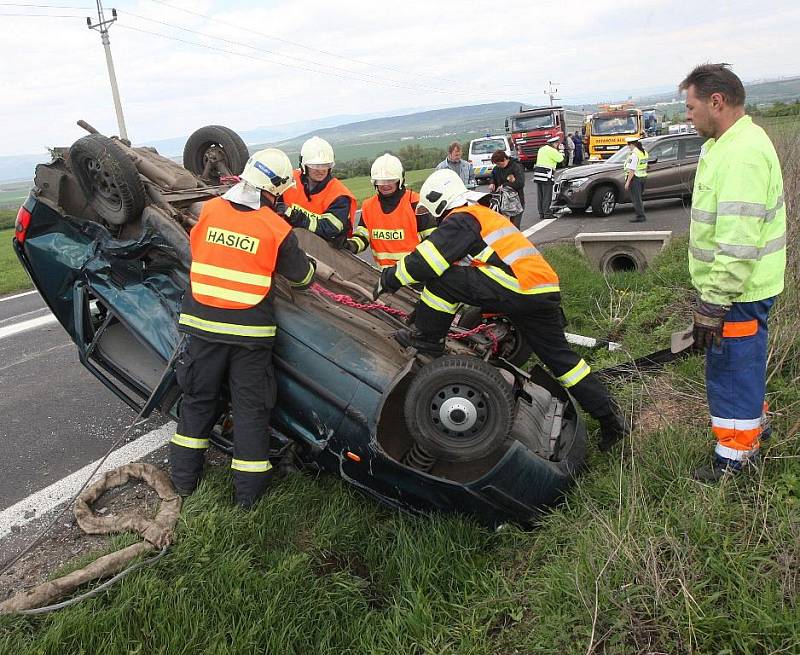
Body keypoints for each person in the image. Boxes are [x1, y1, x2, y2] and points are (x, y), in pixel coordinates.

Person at [373, 169, 628, 452]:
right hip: (540, 292)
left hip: (519, 289)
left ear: (438, 202)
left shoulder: (461, 219)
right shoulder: (481, 215)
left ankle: (427, 340)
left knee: (443, 278)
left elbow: (427, 261)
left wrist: (388, 279)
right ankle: (610, 420)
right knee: (563, 362)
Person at [170, 148, 316, 509]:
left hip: (202, 328)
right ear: (276, 188)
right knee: (251, 410)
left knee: (197, 402)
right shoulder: (275, 227)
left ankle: (183, 486)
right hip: (250, 336)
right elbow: (303, 277)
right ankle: (247, 500)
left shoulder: (209, 210)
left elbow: (201, 251)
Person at [679, 63, 786, 482]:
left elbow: (738, 242)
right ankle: (755, 428)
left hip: (738, 291)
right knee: (743, 364)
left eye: (690, 106)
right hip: (741, 287)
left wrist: (713, 301)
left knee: (731, 371)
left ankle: (735, 461)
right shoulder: (726, 143)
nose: (687, 115)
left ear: (716, 102)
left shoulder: (741, 155)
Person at [344, 153, 436, 267]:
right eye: (380, 181)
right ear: (374, 182)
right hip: (385, 277)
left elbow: (433, 241)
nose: (385, 185)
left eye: (390, 180)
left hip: (416, 278)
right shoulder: (368, 206)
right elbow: (363, 237)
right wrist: (349, 245)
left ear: (400, 180)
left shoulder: (415, 202)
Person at [279, 136, 356, 248]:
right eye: (315, 165)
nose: (321, 170)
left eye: (325, 165)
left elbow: (329, 229)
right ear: (304, 165)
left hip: (324, 252)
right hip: (290, 244)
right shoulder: (288, 180)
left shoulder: (340, 195)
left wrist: (294, 215)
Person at [488, 149, 526, 228]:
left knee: (514, 226)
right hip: (501, 202)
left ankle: (516, 240)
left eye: (499, 163)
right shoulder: (497, 168)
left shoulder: (516, 166)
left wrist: (504, 185)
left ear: (505, 159)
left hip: (516, 201)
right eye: (496, 164)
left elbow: (520, 183)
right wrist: (492, 183)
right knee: (504, 227)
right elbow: (493, 176)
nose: (498, 166)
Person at [533, 136, 563, 220]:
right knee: (547, 195)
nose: (558, 145)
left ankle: (541, 213)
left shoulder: (541, 149)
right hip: (546, 175)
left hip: (538, 174)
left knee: (540, 195)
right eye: (557, 144)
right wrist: (561, 150)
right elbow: (560, 159)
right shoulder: (552, 150)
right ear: (554, 143)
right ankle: (547, 213)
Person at [624, 137, 648, 223]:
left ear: (632, 144)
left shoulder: (634, 154)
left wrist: (627, 182)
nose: (628, 147)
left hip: (635, 178)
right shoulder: (644, 152)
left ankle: (640, 216)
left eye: (628, 145)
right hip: (643, 177)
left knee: (636, 199)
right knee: (639, 198)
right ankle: (641, 215)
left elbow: (632, 170)